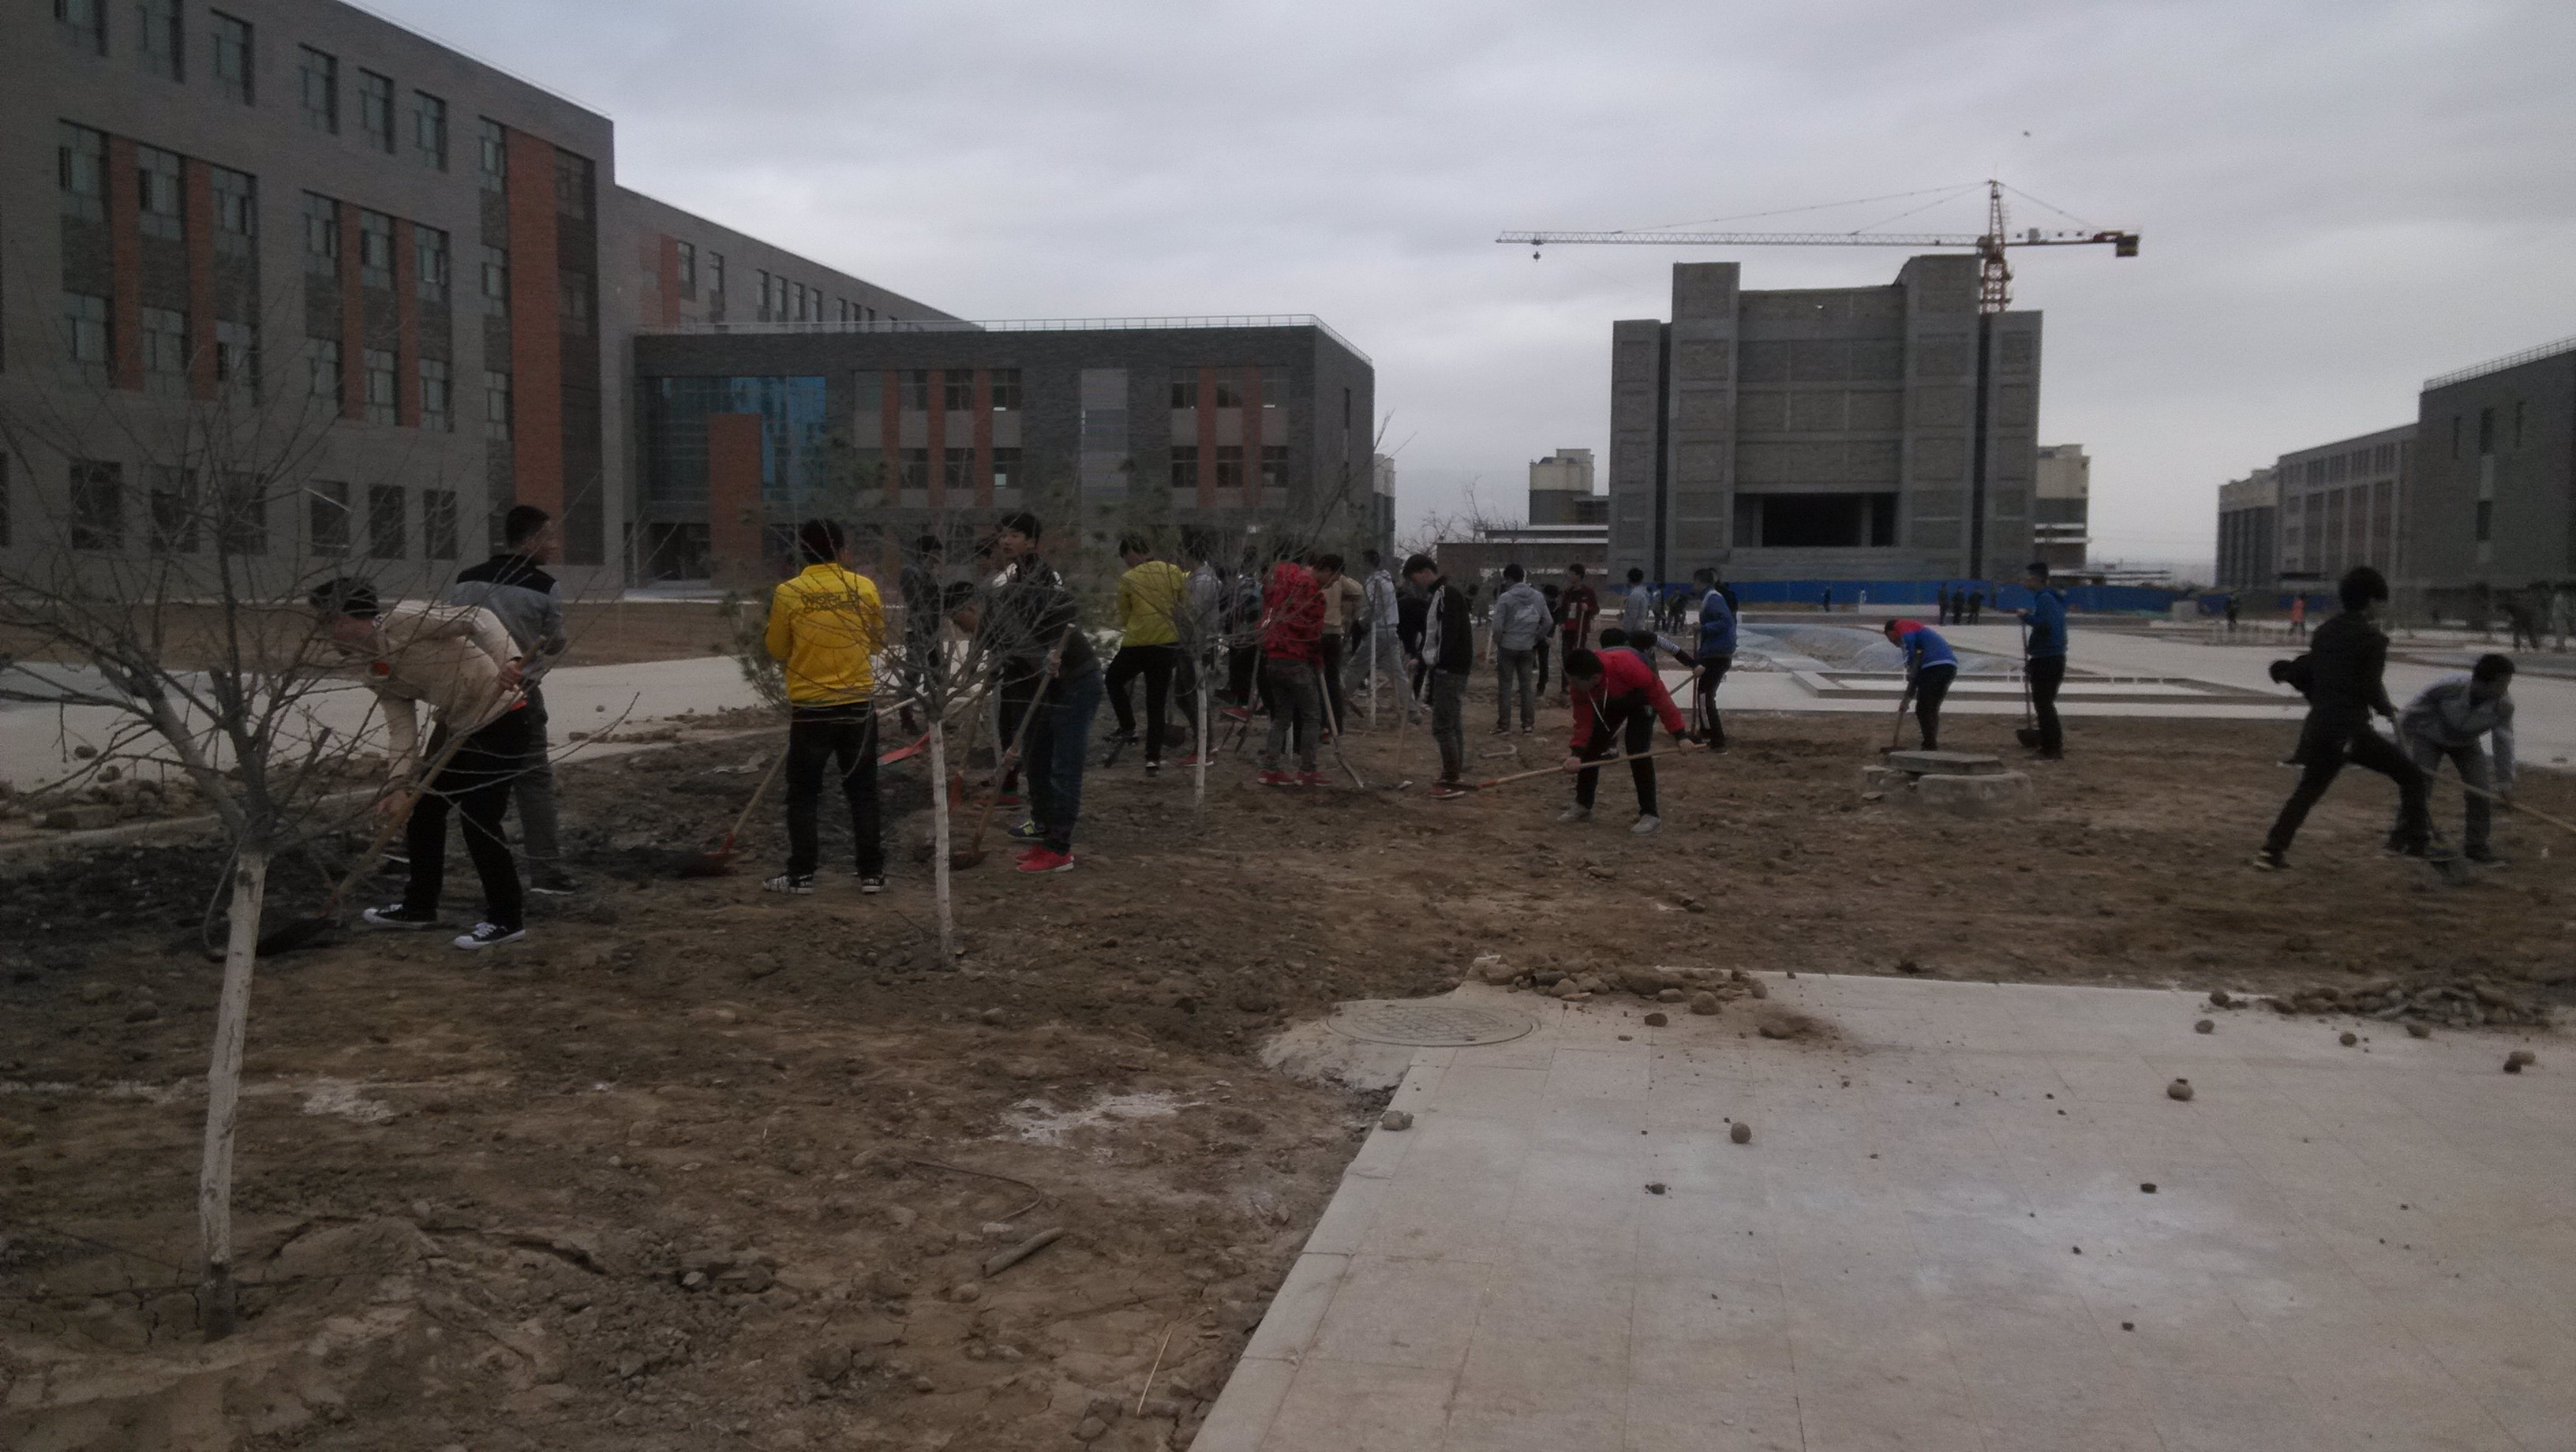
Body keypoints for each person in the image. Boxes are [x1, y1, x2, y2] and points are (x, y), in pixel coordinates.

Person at [318, 578, 532, 950]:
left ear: (345, 618)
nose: (322, 632)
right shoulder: (369, 667)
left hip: (503, 716)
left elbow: (479, 618)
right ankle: (419, 906)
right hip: (460, 727)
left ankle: (506, 919)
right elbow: (402, 726)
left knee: (479, 818)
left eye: (325, 621)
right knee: (422, 810)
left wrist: (509, 661)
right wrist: (398, 784)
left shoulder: (404, 620)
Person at [2255, 566, 2436, 872]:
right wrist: (2385, 708)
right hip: (2350, 730)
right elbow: (2370, 685)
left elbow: (2320, 674)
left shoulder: (2325, 631)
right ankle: (2417, 843)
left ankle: (2271, 852)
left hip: (2321, 726)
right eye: (2379, 601)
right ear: (2371, 601)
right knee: (2412, 777)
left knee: (2308, 790)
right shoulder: (2373, 638)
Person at [447, 504, 575, 896]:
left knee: (461, 780)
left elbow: (450, 629)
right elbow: (555, 643)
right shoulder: (544, 587)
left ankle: (421, 859)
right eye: (549, 538)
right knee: (532, 780)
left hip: (467, 694)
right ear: (530, 541)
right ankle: (546, 873)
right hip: (520, 696)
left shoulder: (466, 580)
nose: (554, 546)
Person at [761, 518, 889, 896]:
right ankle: (871, 874)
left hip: (811, 709)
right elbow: (877, 642)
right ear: (842, 550)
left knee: (804, 794)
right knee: (862, 792)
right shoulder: (863, 587)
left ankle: (801, 875)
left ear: (802, 552)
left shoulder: (789, 592)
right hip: (857, 706)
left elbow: (776, 648)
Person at [980, 512, 1102, 872]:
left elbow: (1063, 614)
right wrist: (993, 670)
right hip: (1043, 684)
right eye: (1002, 534)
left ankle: (1060, 849)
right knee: (1037, 762)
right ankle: (1046, 832)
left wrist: (1050, 653)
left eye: (1014, 535)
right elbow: (1004, 641)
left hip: (1074, 680)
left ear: (1032, 541)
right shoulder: (1009, 583)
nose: (1005, 540)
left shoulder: (1041, 578)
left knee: (1064, 767)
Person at [2391, 654, 2517, 864]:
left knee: (2480, 791)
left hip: (2467, 743)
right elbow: (2409, 715)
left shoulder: (2504, 706)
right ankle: (2400, 838)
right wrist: (2398, 750)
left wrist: (2505, 782)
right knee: (2419, 787)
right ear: (2481, 682)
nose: (2505, 690)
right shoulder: (2447, 687)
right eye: (2501, 684)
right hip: (2429, 737)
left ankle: (2476, 847)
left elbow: (2504, 742)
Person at [1558, 646, 1690, 834]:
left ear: (1594, 678)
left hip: (1642, 698)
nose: (1570, 685)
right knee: (1592, 747)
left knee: (1638, 750)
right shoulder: (1580, 686)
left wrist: (1680, 735)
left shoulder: (1627, 666)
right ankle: (1583, 804)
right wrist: (1576, 754)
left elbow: (1661, 699)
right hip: (1611, 698)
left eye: (1574, 681)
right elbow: (1583, 721)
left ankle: (1650, 814)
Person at [1105, 535, 1189, 773]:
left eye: (1126, 558)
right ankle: (1152, 758)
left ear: (1130, 553)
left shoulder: (1128, 578)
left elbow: (1125, 616)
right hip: (1167, 644)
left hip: (1137, 643)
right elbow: (1184, 605)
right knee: (1156, 702)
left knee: (1112, 680)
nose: (1127, 563)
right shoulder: (1173, 571)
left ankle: (1128, 726)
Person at [1252, 552, 1328, 786]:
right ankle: (1307, 770)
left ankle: (1270, 768)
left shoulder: (1276, 588)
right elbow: (1311, 631)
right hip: (1296, 660)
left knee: (1282, 717)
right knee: (1312, 716)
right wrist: (1317, 659)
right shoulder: (1310, 591)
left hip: (1273, 658)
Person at [1409, 555, 1473, 797]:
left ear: (1426, 572)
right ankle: (1454, 771)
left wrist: (1433, 660)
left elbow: (1447, 634)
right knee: (1452, 723)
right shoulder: (1439, 596)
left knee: (1443, 725)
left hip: (1450, 667)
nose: (1416, 585)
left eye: (1416, 579)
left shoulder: (1447, 595)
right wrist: (1420, 656)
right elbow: (1432, 634)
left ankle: (1451, 778)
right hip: (1450, 666)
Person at [1490, 563, 1551, 735]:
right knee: (1526, 687)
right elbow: (1548, 621)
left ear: (1509, 578)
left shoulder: (1505, 598)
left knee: (1505, 687)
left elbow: (1497, 626)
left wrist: (1499, 641)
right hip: (1527, 647)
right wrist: (1537, 637)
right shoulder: (1538, 597)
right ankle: (1528, 725)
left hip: (1508, 646)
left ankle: (1504, 725)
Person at [1882, 617, 1959, 751]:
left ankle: (1930, 746)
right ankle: (1930, 743)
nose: (1894, 643)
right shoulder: (1919, 642)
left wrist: (1909, 666)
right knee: (1929, 707)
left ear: (1891, 632)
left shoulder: (1902, 626)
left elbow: (1909, 646)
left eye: (1890, 638)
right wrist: (1907, 700)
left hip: (1936, 666)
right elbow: (1915, 679)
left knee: (1925, 708)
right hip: (1947, 667)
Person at [897, 533, 945, 738]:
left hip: (933, 630)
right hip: (918, 631)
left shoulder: (929, 573)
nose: (939, 558)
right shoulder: (912, 572)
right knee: (913, 674)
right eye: (937, 553)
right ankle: (906, 718)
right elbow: (917, 601)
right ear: (930, 552)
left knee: (936, 674)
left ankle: (934, 719)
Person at [2019, 561, 2069, 760]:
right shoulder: (2048, 599)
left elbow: (2046, 626)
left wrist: (2026, 617)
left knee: (2044, 704)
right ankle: (2050, 743)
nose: (2024, 581)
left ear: (2036, 579)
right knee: (2044, 703)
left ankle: (2052, 747)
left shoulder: (2045, 599)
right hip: (2047, 657)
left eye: (2027, 578)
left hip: (2048, 658)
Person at [1314, 553, 1362, 739]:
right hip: (1333, 634)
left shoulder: (1315, 582)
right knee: (1332, 681)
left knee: (1318, 680)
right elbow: (1358, 591)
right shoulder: (1339, 581)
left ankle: (1322, 723)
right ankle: (1335, 724)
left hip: (1318, 633)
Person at [1690, 567, 1737, 750]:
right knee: (1704, 694)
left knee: (1705, 696)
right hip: (1714, 652)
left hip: (1717, 654)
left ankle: (1717, 740)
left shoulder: (1713, 598)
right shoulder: (1710, 598)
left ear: (1699, 582)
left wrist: (1704, 628)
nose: (1692, 586)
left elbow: (1725, 621)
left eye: (1694, 583)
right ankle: (1706, 732)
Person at [1557, 564, 1598, 698]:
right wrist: (1562, 623)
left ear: (1579, 575)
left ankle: (1579, 686)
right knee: (1566, 657)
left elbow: (1596, 609)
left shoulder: (1588, 592)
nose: (1569, 576)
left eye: (1571, 574)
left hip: (1580, 629)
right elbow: (1562, 610)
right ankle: (1565, 687)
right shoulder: (1567, 592)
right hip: (1567, 629)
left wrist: (1588, 609)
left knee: (1579, 658)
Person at [1535, 583, 1561, 697]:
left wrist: (1549, 636)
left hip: (1545, 637)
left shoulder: (1555, 608)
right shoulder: (1538, 603)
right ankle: (1523, 686)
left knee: (1543, 662)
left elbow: (1553, 623)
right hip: (1533, 635)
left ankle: (1541, 686)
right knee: (1527, 660)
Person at [1619, 567, 1653, 639]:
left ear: (1629, 579)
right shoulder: (1644, 593)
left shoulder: (1635, 595)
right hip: (1639, 627)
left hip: (1633, 631)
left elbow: (1632, 616)